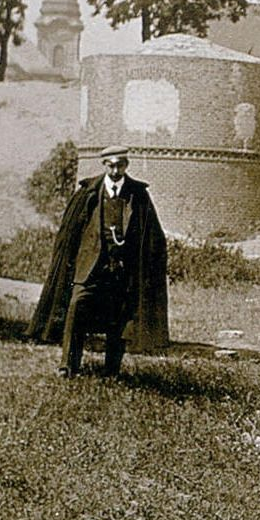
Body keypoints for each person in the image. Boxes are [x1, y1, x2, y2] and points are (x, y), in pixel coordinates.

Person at [29, 146, 169, 377]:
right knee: (76, 307)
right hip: (90, 269)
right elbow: (70, 233)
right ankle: (68, 366)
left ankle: (111, 371)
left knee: (118, 319)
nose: (115, 171)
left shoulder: (138, 195)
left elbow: (152, 236)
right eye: (111, 165)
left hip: (121, 271)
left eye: (120, 165)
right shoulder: (88, 192)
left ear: (126, 165)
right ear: (104, 165)